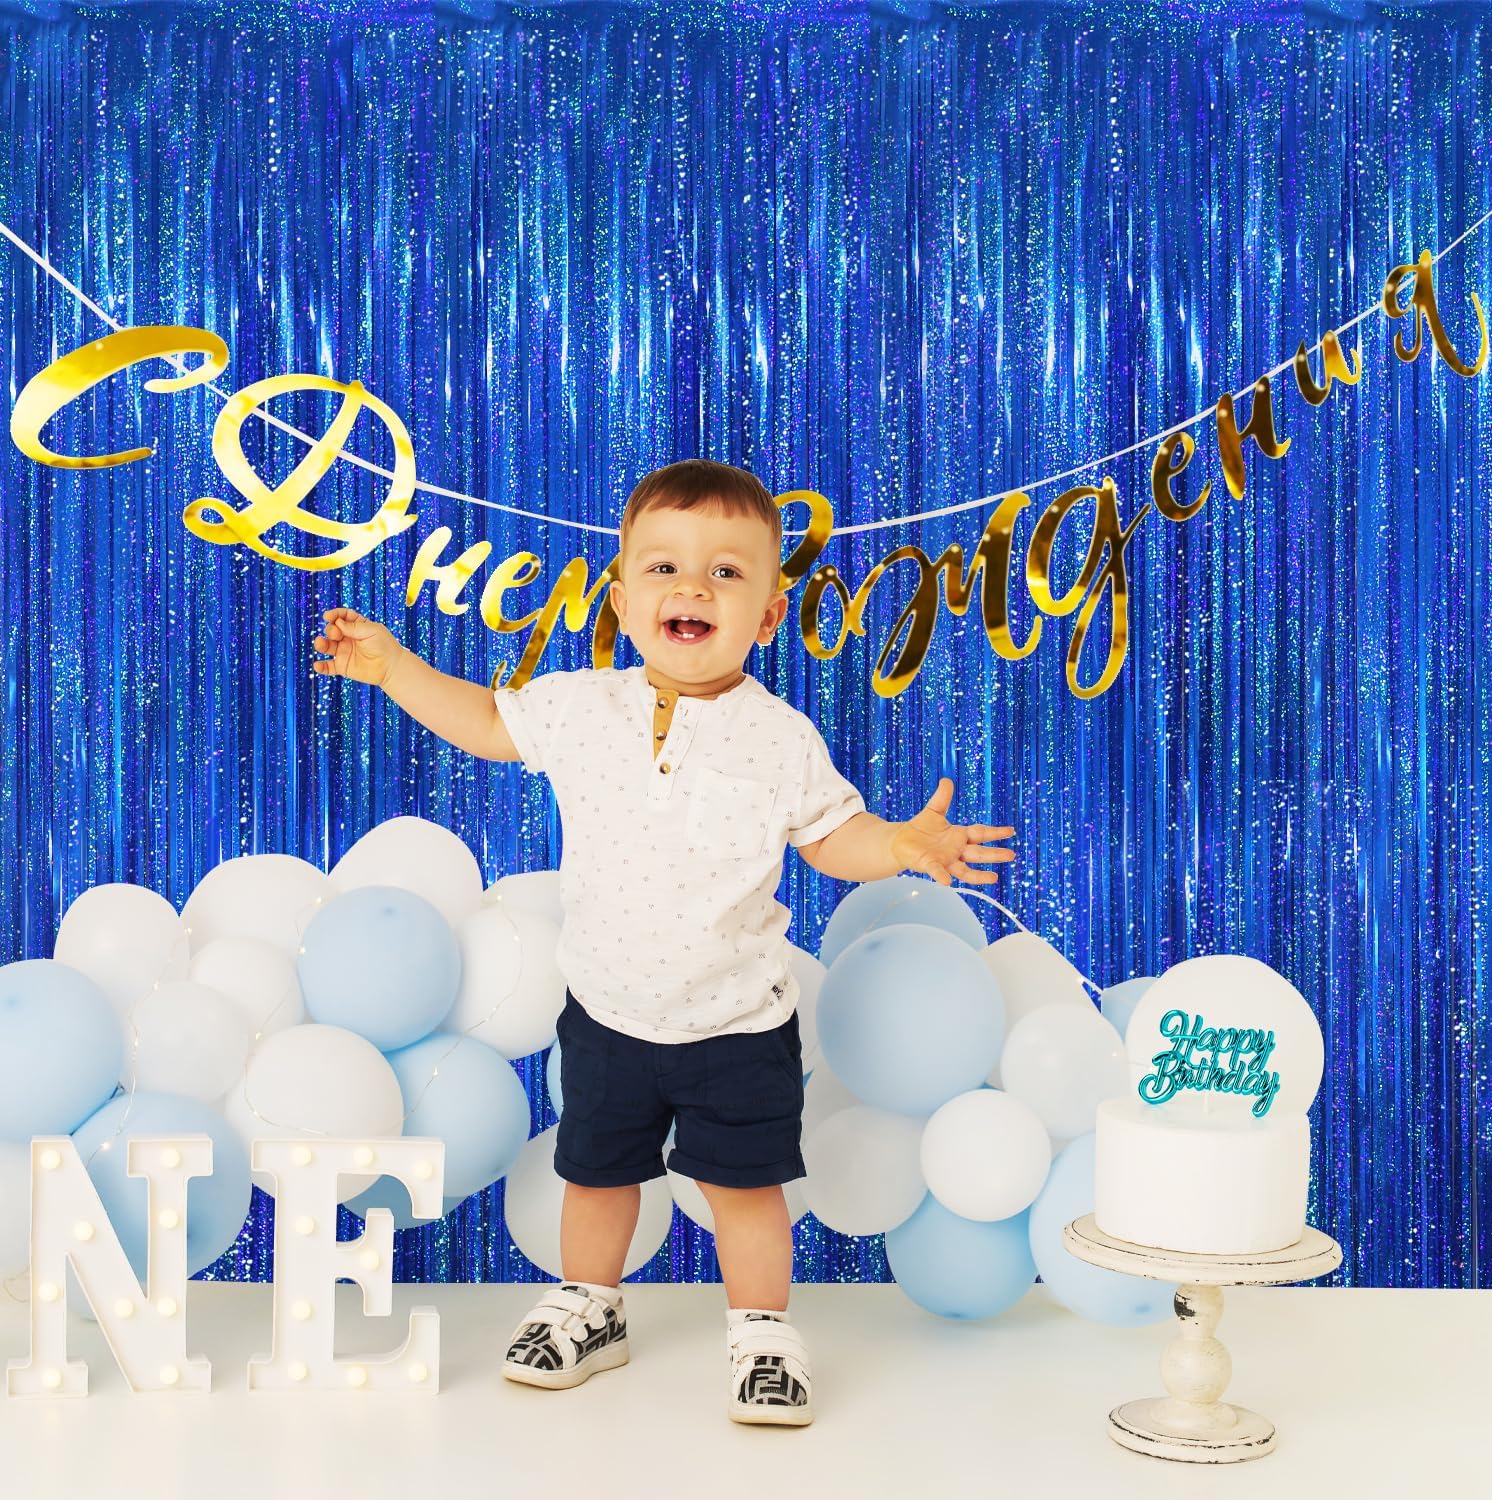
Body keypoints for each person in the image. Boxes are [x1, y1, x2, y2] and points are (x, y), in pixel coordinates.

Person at [311, 458, 1015, 1426]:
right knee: (596, 1177)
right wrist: (396, 668)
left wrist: (896, 844)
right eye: (664, 568)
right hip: (608, 1012)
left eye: (726, 572)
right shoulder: (578, 706)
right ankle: (590, 1307)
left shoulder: (780, 738)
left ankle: (762, 1331)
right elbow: (484, 722)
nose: (693, 588)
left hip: (737, 1023)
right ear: (622, 599)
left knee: (745, 1191)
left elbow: (830, 838)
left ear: (768, 616)